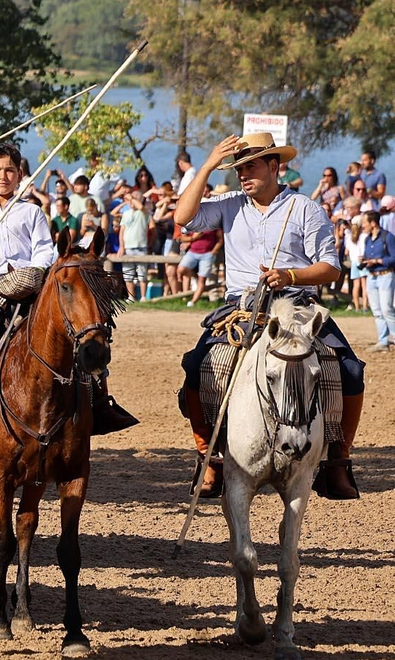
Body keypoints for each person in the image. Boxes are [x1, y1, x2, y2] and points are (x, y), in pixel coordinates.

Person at [174, 131, 364, 500]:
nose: (243, 175)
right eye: (238, 168)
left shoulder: (305, 209)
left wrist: (290, 275)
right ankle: (208, 458)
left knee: (351, 371)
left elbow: (330, 268)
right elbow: (183, 218)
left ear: (275, 166)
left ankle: (338, 462)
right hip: (241, 308)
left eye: (252, 167)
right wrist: (210, 165)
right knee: (196, 368)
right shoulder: (229, 204)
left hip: (297, 306)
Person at [0, 142, 135, 444]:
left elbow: (45, 251)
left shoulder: (31, 212)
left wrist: (31, 272)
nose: (3, 176)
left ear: (19, 175)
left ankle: (99, 402)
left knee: (82, 331)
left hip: (32, 289)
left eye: (9, 170)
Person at [358, 210, 395, 352]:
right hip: (372, 276)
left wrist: (378, 260)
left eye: (365, 223)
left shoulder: (388, 237)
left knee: (387, 310)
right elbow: (370, 255)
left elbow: (394, 258)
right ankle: (383, 341)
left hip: (385, 275)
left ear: (373, 223)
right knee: (377, 311)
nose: (363, 226)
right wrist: (365, 259)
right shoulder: (368, 239)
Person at [118, 189, 151, 300]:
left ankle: (143, 297)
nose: (131, 202)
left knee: (142, 274)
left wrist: (131, 197)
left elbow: (141, 207)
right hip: (128, 247)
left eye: (134, 200)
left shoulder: (144, 212)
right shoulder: (126, 214)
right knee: (128, 274)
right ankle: (131, 297)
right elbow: (121, 231)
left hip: (141, 247)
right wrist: (121, 246)